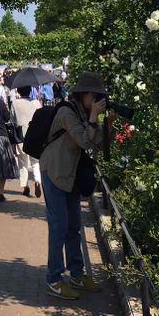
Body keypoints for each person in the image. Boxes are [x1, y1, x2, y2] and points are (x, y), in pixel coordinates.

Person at [39, 71, 106, 301]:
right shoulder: (67, 112)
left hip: (71, 175)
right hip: (55, 172)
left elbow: (98, 143)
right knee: (59, 226)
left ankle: (77, 274)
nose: (97, 100)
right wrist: (94, 117)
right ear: (84, 94)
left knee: (74, 225)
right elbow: (85, 141)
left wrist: (104, 123)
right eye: (95, 96)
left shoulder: (85, 113)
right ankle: (54, 279)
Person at [10, 84, 42, 198]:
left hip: (20, 136)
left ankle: (25, 186)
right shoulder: (36, 103)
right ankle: (38, 180)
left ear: (18, 91)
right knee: (36, 161)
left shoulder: (14, 103)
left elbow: (12, 120)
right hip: (35, 135)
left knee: (22, 162)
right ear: (30, 91)